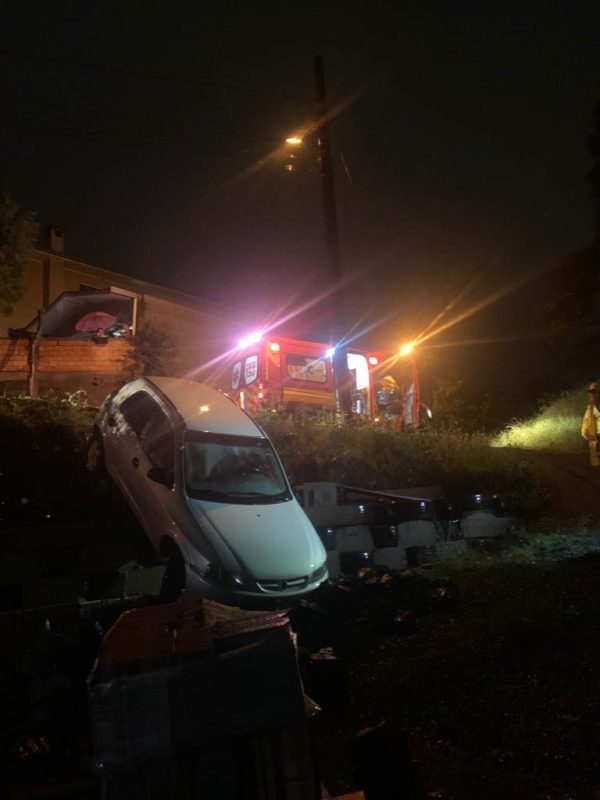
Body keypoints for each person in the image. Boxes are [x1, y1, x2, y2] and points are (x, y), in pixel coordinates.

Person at [581, 382, 600, 467]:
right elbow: (586, 423)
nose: (593, 395)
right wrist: (585, 434)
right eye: (591, 393)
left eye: (595, 392)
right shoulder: (590, 408)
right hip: (596, 437)